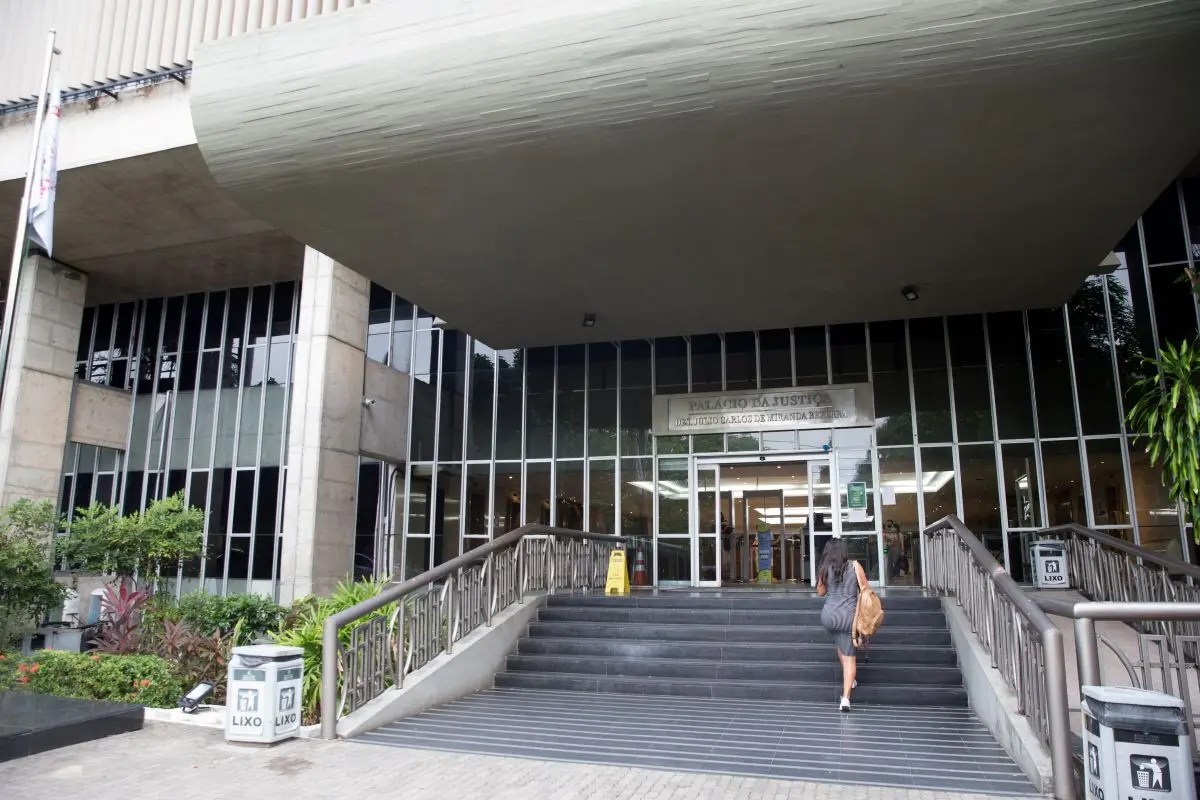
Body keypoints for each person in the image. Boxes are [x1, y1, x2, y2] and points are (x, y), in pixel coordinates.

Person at [816, 537, 869, 712]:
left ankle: (850, 678)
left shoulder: (825, 568)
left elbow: (821, 592)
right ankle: (846, 698)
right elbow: (866, 591)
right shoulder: (855, 566)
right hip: (848, 617)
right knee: (849, 657)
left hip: (829, 616)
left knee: (842, 643)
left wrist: (823, 577)